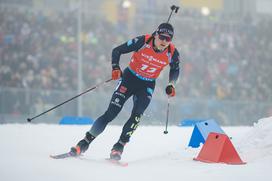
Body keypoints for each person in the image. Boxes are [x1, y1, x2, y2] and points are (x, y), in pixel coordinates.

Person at [70, 22, 180, 160]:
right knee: (111, 113)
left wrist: (171, 84)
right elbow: (117, 50)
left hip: (146, 85)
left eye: (168, 39)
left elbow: (175, 68)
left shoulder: (172, 52)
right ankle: (84, 143)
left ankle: (118, 147)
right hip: (129, 79)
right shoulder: (143, 41)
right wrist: (115, 68)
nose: (164, 41)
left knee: (136, 116)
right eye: (162, 37)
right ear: (156, 34)